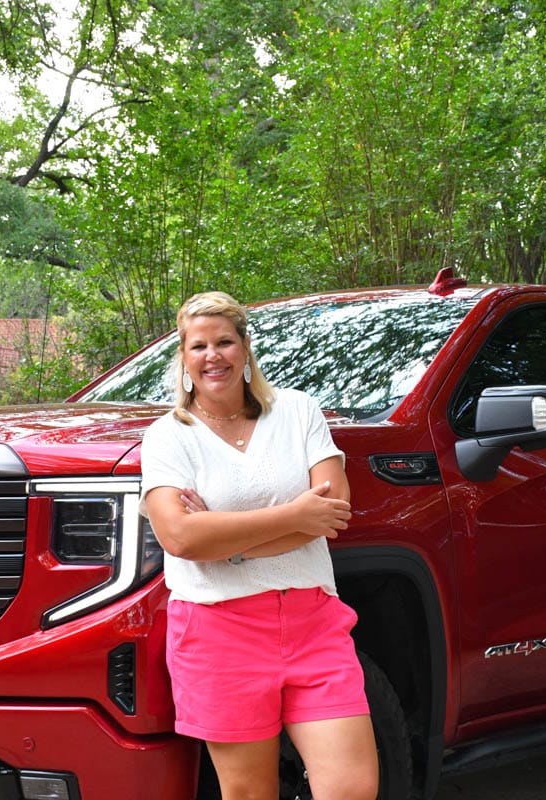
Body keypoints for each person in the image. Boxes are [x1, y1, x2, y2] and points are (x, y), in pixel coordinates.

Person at [140, 291, 379, 800]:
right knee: (250, 793)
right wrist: (294, 515)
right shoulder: (168, 437)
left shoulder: (297, 412)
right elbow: (179, 536)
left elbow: (332, 510)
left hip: (314, 619)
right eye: (198, 345)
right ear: (184, 357)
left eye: (224, 342)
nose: (213, 356)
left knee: (353, 788)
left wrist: (226, 541)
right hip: (218, 630)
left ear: (245, 348)